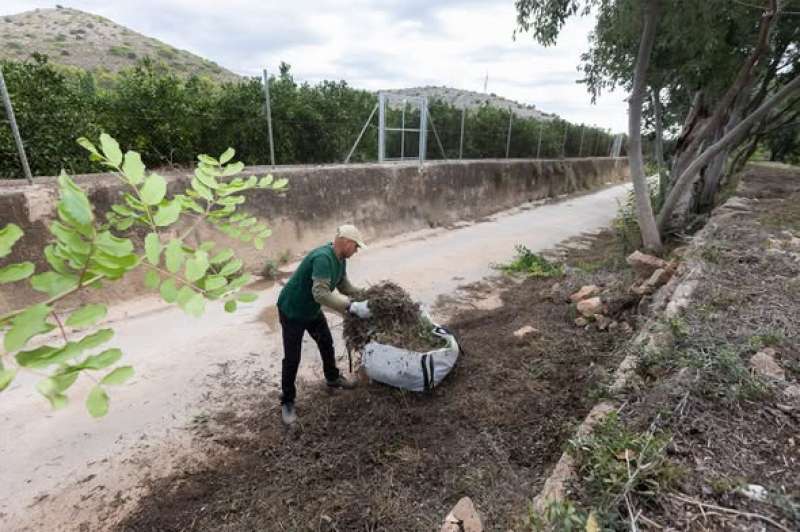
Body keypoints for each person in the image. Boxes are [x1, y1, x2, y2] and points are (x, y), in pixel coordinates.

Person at [275, 224, 372, 425]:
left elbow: (343, 285)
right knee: (292, 358)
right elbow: (320, 293)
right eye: (356, 246)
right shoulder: (323, 258)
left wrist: (367, 296)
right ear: (346, 242)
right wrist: (351, 306)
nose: (356, 251)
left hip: (311, 310)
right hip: (292, 311)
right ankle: (287, 401)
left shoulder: (340, 259)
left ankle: (332, 377)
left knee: (326, 342)